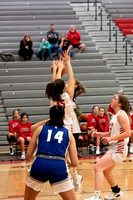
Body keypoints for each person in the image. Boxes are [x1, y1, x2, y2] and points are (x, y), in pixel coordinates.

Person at [24, 105, 78, 200]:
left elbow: (28, 155)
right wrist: (68, 163)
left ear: (49, 116)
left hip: (39, 163)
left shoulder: (40, 129)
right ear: (64, 117)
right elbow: (75, 163)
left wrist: (40, 159)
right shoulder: (68, 134)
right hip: (58, 165)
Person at [46, 52, 82, 191]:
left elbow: (55, 83)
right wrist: (67, 62)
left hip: (58, 128)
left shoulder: (53, 97)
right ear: (64, 87)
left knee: (64, 155)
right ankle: (73, 176)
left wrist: (56, 70)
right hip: (67, 127)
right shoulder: (68, 96)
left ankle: (72, 177)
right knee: (66, 156)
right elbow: (71, 78)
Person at [84, 94, 131, 200]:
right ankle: (116, 191)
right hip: (115, 146)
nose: (112, 100)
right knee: (106, 170)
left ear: (119, 103)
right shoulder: (116, 115)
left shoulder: (121, 115)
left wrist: (111, 139)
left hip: (120, 147)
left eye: (115, 99)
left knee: (98, 167)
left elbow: (128, 133)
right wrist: (98, 134)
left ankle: (96, 196)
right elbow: (111, 132)